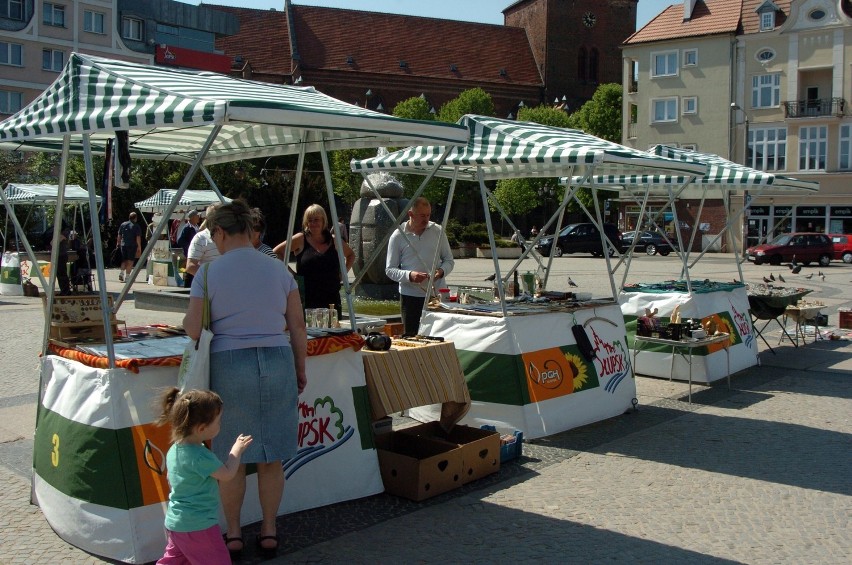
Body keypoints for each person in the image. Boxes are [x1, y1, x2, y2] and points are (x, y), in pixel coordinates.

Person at [183, 199, 307, 559]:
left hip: (229, 365)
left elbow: (193, 328)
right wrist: (300, 368)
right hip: (277, 360)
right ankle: (269, 530)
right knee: (270, 457)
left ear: (220, 232)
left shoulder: (208, 273)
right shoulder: (279, 270)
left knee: (231, 456)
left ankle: (234, 533)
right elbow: (297, 326)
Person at [154, 388, 253, 565]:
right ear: (201, 428)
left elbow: (171, 478)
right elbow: (227, 474)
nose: (220, 425)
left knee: (173, 561)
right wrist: (236, 451)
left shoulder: (174, 449)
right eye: (218, 422)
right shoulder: (200, 456)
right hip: (199, 526)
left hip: (176, 523)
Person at [385, 197, 454, 335]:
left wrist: (440, 272)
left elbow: (449, 260)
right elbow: (390, 270)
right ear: (411, 214)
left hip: (437, 295)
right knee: (412, 336)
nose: (426, 219)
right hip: (410, 297)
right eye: (422, 215)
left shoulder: (437, 231)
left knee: (439, 336)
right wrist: (409, 275)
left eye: (428, 215)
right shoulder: (398, 235)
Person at [273, 204, 355, 315]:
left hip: (331, 297)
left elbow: (351, 255)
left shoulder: (334, 240)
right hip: (307, 298)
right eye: (310, 220)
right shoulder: (300, 239)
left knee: (334, 331)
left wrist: (343, 273)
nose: (313, 223)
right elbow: (276, 252)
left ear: (323, 221)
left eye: (316, 220)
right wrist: (291, 274)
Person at [184, 205, 220, 289]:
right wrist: (212, 278)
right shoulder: (200, 238)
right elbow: (190, 266)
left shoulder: (228, 236)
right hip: (207, 287)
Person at [116, 211, 141, 282]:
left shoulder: (123, 224)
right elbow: (138, 238)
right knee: (130, 261)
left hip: (123, 245)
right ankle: (127, 277)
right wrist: (139, 247)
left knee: (124, 260)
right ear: (135, 218)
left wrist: (118, 243)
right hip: (132, 245)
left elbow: (119, 235)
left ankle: (121, 273)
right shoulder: (136, 226)